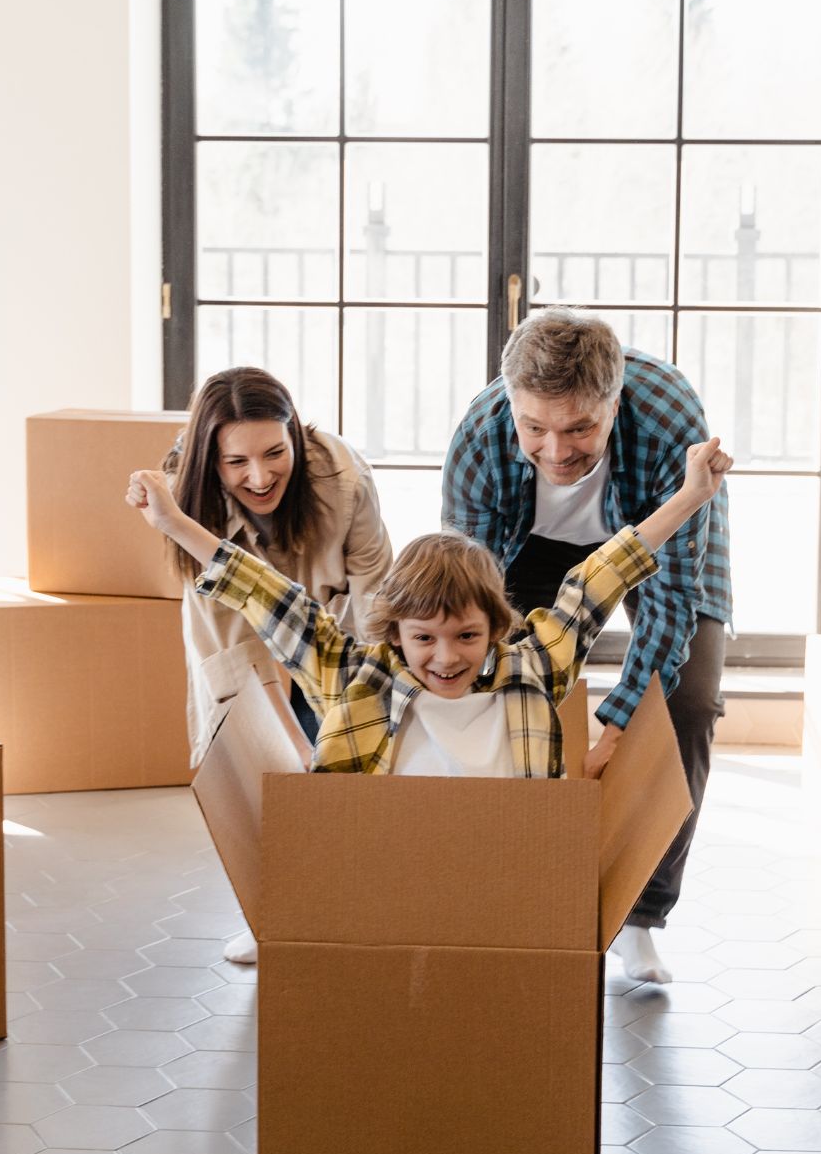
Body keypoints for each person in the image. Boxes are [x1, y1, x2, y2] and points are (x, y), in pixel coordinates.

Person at [126, 436, 728, 779]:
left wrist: (691, 496)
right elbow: (264, 591)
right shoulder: (356, 679)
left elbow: (600, 579)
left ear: (497, 629)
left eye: (467, 637)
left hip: (505, 876)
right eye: (424, 639)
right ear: (394, 635)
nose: (445, 658)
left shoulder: (533, 669)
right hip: (385, 876)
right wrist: (174, 523)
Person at [443, 309, 732, 984]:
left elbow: (671, 598)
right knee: (498, 693)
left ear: (614, 400)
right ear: (510, 404)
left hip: (654, 539)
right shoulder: (479, 440)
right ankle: (510, 889)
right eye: (534, 428)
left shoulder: (669, 420)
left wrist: (620, 718)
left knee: (685, 704)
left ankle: (640, 914)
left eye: (580, 429)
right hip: (527, 549)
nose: (555, 450)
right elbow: (471, 603)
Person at [146, 366, 392, 961]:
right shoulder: (187, 502)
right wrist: (296, 756)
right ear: (212, 461)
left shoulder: (344, 478)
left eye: (275, 452)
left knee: (356, 753)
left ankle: (364, 905)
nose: (260, 477)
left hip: (335, 627)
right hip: (239, 635)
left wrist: (355, 716)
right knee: (265, 766)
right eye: (237, 463)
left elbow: (377, 602)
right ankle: (276, 913)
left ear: (295, 437)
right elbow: (239, 659)